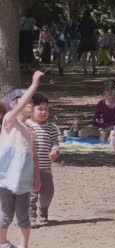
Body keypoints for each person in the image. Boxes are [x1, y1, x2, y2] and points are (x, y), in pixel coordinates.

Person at [0, 71, 44, 248]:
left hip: (24, 181)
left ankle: (23, 245)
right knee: (5, 215)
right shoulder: (9, 120)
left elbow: (34, 157)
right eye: (25, 99)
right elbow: (20, 106)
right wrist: (33, 85)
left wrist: (37, 177)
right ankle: (2, 243)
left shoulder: (30, 131)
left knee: (23, 216)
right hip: (5, 179)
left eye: (31, 101)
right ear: (12, 104)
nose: (29, 102)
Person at [26, 93, 60, 228]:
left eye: (46, 109)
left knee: (48, 192)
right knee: (31, 193)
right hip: (29, 168)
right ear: (31, 110)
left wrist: (55, 151)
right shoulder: (26, 125)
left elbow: (55, 142)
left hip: (46, 168)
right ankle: (31, 216)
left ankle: (43, 211)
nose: (43, 112)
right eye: (40, 109)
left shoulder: (51, 127)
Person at [78, 10, 98, 75]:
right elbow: (95, 31)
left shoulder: (81, 22)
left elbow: (79, 31)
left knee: (84, 56)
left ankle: (85, 70)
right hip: (91, 39)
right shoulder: (92, 21)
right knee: (93, 56)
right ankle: (94, 69)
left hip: (84, 39)